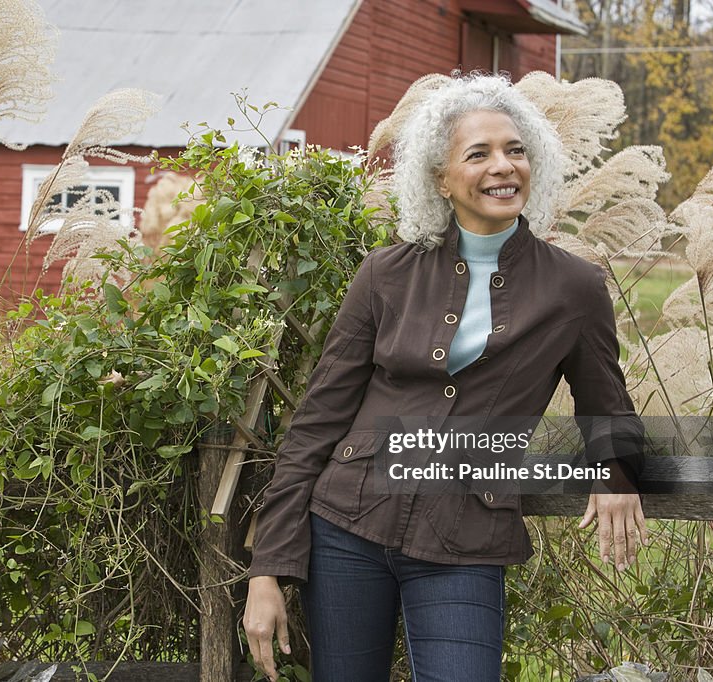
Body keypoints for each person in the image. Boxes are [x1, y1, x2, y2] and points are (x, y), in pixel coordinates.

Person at [243, 72, 648, 682]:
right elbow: (316, 422)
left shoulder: (574, 288)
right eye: (478, 153)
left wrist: (615, 474)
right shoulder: (386, 274)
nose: (502, 166)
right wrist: (268, 567)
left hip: (467, 537)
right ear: (440, 178)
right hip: (346, 528)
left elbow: (607, 406)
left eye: (515, 150)